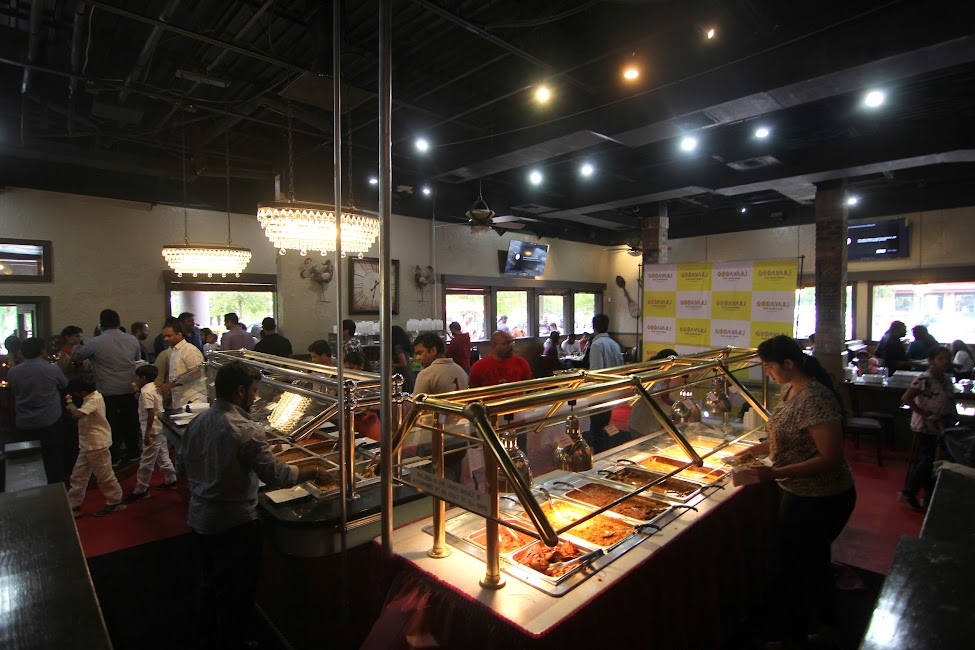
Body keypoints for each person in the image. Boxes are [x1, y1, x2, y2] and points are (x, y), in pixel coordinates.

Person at [178, 361, 320, 648]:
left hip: (200, 517)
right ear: (240, 391)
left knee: (209, 583)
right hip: (235, 523)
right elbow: (277, 475)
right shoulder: (246, 429)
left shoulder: (198, 421)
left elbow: (181, 465)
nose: (255, 397)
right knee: (237, 591)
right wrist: (313, 472)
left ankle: (207, 637)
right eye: (254, 391)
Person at [730, 335, 855, 645]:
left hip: (820, 497)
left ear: (788, 363)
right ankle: (828, 626)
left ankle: (793, 639)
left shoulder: (815, 398)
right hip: (799, 492)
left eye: (769, 366)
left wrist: (773, 473)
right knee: (814, 564)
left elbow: (830, 458)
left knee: (794, 570)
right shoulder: (790, 389)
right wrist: (752, 451)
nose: (767, 372)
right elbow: (785, 435)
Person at [73, 309, 143, 466]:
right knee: (131, 423)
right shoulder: (132, 339)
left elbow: (77, 356)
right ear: (119, 322)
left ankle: (114, 457)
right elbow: (137, 359)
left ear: (101, 324)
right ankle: (134, 453)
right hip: (129, 389)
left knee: (110, 426)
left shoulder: (95, 342)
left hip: (107, 391)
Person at [900, 346, 956, 512]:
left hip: (943, 425)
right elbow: (906, 398)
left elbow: (950, 400)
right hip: (926, 425)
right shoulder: (925, 379)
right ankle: (909, 492)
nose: (945, 362)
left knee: (937, 461)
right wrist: (924, 414)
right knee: (928, 459)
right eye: (940, 359)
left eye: (947, 359)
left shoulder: (946, 379)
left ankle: (929, 495)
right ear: (931, 361)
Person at [7, 337, 68, 483]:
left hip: (24, 421)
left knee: (28, 460)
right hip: (49, 421)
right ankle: (56, 487)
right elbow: (64, 384)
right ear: (42, 350)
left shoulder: (13, 371)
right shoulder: (51, 369)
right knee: (52, 459)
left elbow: (13, 390)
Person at [65, 377, 127, 517]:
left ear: (82, 392)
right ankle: (73, 504)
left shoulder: (94, 399)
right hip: (87, 443)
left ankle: (115, 501)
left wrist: (71, 406)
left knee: (104, 475)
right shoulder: (91, 396)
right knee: (78, 476)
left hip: (97, 444)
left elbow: (78, 415)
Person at [413, 332, 470, 480]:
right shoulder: (460, 370)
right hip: (460, 436)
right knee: (454, 483)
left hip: (434, 439)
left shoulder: (426, 374)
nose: (417, 358)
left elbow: (416, 410)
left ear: (433, 350)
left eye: (420, 353)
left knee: (432, 484)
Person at [124, 365, 178, 502]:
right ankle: (171, 479)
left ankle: (141, 489)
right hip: (160, 427)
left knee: (146, 461)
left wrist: (147, 433)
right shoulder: (154, 388)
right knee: (163, 456)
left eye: (137, 377)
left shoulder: (145, 392)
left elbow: (150, 413)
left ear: (143, 378)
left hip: (152, 429)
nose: (135, 379)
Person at [586, 314, 625, 452]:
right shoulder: (615, 344)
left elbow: (596, 372)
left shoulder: (597, 344)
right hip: (612, 389)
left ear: (594, 327)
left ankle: (599, 454)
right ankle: (606, 450)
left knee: (596, 427)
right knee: (605, 423)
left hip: (600, 392)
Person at [158, 321, 206, 408]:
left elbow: (196, 374)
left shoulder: (189, 350)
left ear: (179, 335)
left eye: (169, 336)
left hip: (193, 399)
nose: (166, 339)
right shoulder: (174, 351)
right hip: (180, 399)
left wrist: (172, 384)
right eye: (164, 336)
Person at [391, 325, 415, 392]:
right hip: (408, 372)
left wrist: (391, 365)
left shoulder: (398, 347)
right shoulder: (404, 345)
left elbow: (403, 364)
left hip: (403, 374)